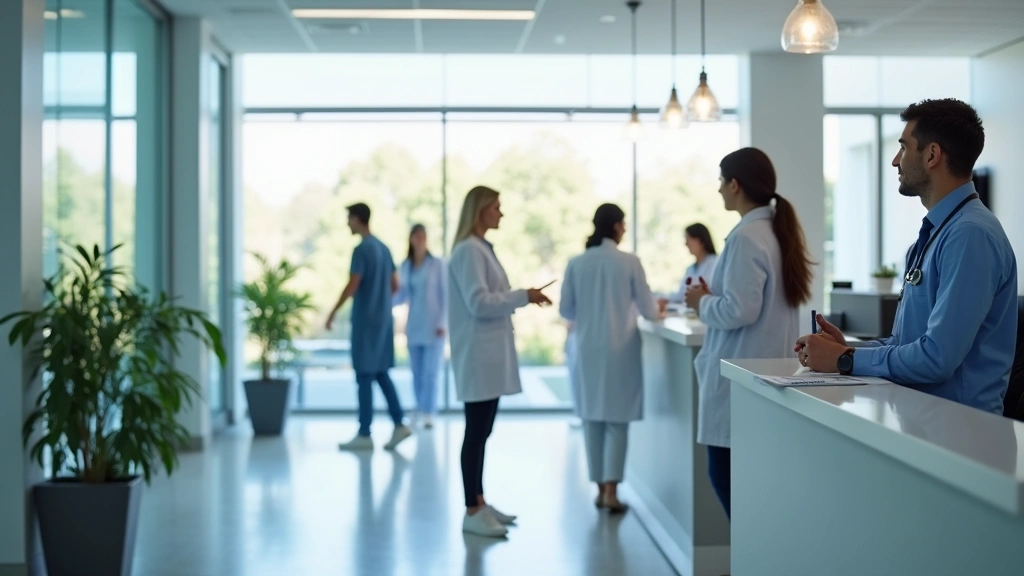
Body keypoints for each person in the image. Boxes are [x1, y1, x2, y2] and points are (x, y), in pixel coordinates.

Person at [796, 99, 1017, 414]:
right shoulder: (938, 233)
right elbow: (906, 346)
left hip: (963, 436)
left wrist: (844, 359)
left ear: (931, 155)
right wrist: (844, 349)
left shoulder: (970, 235)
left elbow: (935, 359)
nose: (895, 161)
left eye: (903, 147)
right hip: (926, 425)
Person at [684, 148, 814, 519]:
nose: (719, 190)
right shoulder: (774, 230)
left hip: (742, 376)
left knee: (725, 476)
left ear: (735, 184)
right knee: (751, 482)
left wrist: (701, 301)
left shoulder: (746, 237)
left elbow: (739, 309)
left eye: (721, 183)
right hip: (764, 372)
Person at [448, 185, 552, 538]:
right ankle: (472, 508)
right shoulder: (467, 252)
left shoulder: (479, 250)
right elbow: (479, 303)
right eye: (496, 207)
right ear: (480, 211)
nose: (501, 213)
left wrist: (523, 296)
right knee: (476, 432)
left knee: (482, 431)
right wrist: (524, 296)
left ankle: (479, 499)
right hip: (478, 355)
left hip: (486, 354)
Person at [560, 204, 665, 514]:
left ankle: (598, 489)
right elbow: (648, 310)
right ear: (618, 227)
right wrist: (658, 308)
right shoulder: (630, 262)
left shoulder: (577, 263)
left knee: (592, 418)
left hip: (587, 349)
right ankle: (611, 492)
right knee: (617, 423)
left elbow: (566, 310)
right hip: (621, 349)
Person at [326, 203, 413, 452]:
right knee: (381, 373)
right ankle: (398, 423)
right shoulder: (384, 248)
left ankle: (365, 433)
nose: (347, 224)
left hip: (366, 323)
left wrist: (333, 311)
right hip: (383, 321)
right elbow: (395, 285)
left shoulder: (362, 250)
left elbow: (354, 283)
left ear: (356, 219)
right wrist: (380, 299)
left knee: (364, 376)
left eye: (348, 219)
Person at [393, 224, 447, 429]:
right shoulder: (406, 266)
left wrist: (443, 322)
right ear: (411, 239)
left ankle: (429, 411)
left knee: (431, 372)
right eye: (416, 236)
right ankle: (419, 407)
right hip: (414, 324)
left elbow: (445, 295)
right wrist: (389, 293)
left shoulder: (438, 264)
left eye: (423, 236)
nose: (420, 239)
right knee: (416, 371)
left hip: (435, 326)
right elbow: (401, 296)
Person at [669, 223, 719, 303]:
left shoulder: (716, 263)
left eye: (688, 239)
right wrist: (665, 298)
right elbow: (682, 295)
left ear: (701, 241)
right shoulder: (690, 269)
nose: (686, 244)